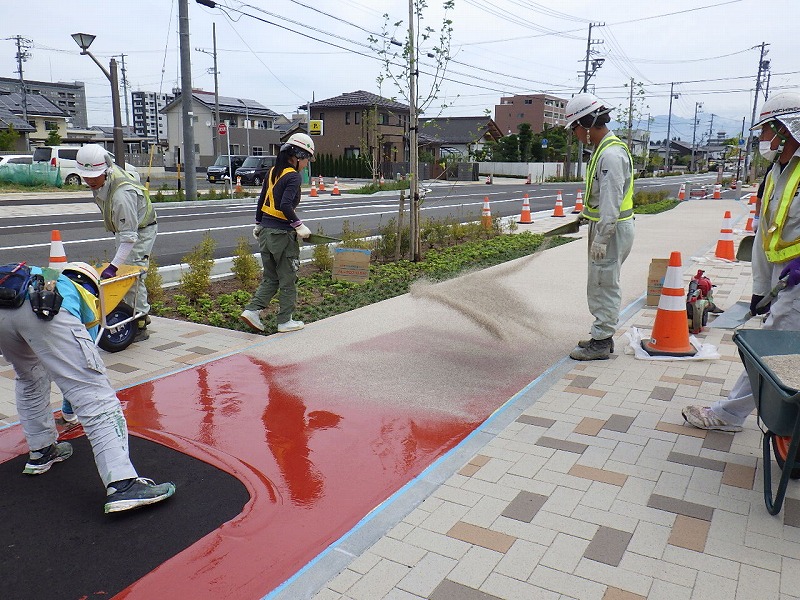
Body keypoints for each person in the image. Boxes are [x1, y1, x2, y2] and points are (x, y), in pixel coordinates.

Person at [0, 261, 176, 513]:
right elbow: (82, 369)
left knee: (30, 378)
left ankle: (42, 451)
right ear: (94, 286)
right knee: (95, 393)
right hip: (43, 306)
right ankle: (123, 484)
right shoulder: (83, 295)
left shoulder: (48, 274)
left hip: (4, 310)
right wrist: (70, 411)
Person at [683, 91, 800, 432]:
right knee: (779, 347)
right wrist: (762, 289)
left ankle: (730, 414)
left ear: (785, 129)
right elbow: (768, 235)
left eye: (766, 130)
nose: (762, 139)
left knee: (775, 351)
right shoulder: (779, 172)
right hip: (784, 277)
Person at [563, 93, 636, 361]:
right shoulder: (602, 151)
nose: (575, 135)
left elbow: (612, 202)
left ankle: (602, 342)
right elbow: (600, 197)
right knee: (599, 281)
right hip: (607, 227)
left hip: (612, 231)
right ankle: (600, 334)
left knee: (604, 283)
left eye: (575, 128)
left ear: (587, 123)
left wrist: (602, 236)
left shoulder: (611, 155)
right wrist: (587, 216)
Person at [75, 144, 157, 343]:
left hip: (140, 231)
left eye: (94, 176)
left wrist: (113, 266)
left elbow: (130, 237)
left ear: (106, 170)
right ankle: (130, 312)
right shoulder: (103, 180)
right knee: (124, 274)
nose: (90, 180)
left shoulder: (122, 195)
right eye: (86, 176)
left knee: (132, 276)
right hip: (127, 229)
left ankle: (140, 323)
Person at [240, 133, 315, 333]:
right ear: (297, 156)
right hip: (282, 235)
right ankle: (285, 321)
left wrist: (258, 224)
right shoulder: (293, 176)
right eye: (307, 158)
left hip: (265, 232)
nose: (307, 163)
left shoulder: (272, 172)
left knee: (271, 277)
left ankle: (252, 311)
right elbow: (285, 205)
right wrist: (299, 226)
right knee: (288, 278)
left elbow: (262, 200)